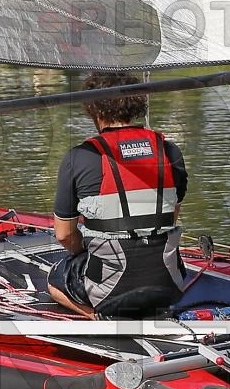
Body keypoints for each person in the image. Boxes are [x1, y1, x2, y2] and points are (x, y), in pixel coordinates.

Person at [47, 71, 189, 318]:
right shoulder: (169, 151)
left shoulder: (80, 157)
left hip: (110, 292)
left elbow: (64, 235)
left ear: (94, 110)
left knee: (55, 278)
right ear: (137, 105)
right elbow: (171, 215)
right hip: (168, 285)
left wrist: (85, 252)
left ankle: (97, 316)